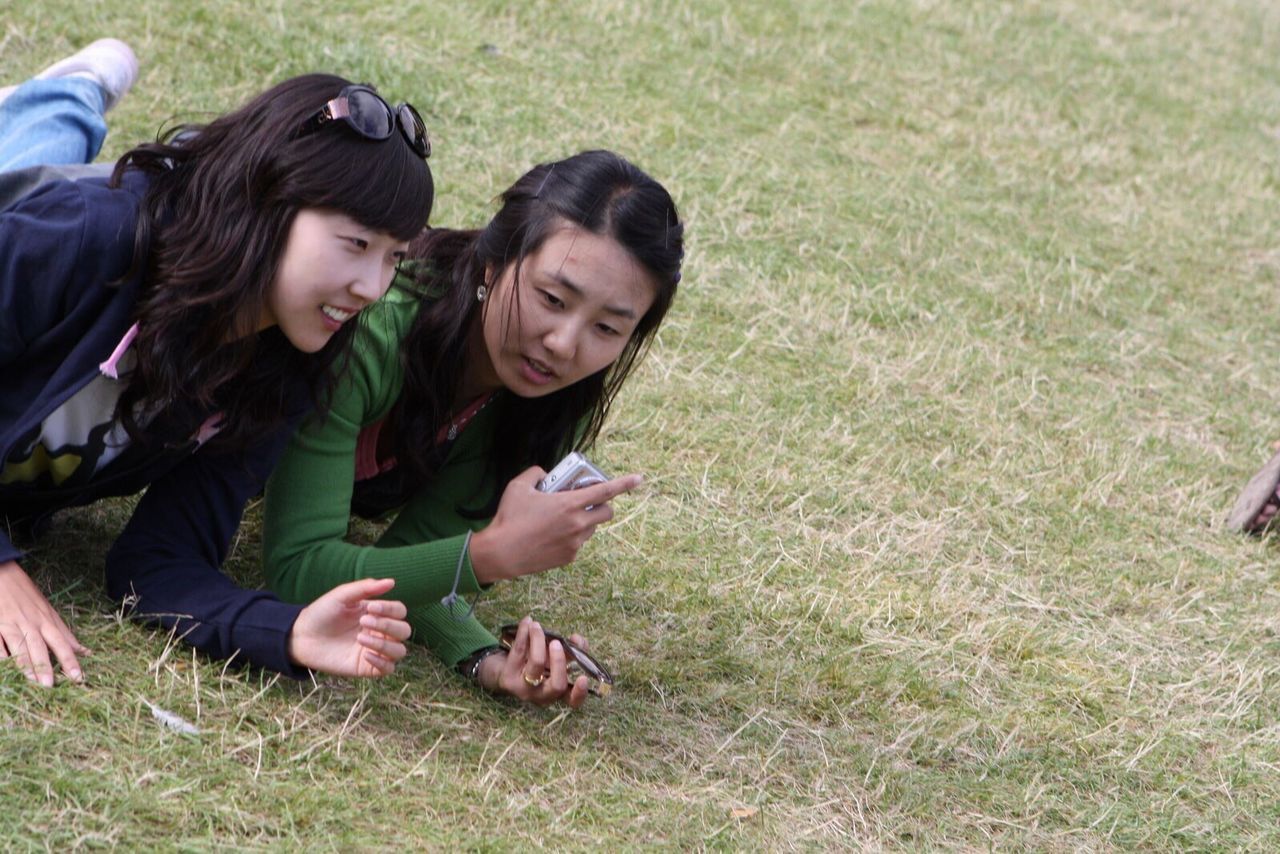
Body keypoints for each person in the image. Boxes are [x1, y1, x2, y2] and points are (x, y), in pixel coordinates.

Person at [0, 42, 434, 687]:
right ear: (268, 203)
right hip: (52, 217)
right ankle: (71, 93)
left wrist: (284, 630)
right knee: (35, 175)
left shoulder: (290, 360)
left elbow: (161, 558)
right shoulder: (90, 237)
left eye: (394, 256)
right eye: (356, 244)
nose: (372, 286)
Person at [262, 150, 684, 709]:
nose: (564, 343)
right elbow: (297, 572)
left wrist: (488, 660)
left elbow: (417, 559)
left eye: (607, 327)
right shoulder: (371, 334)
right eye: (552, 299)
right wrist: (490, 554)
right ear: (494, 262)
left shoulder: (552, 395)